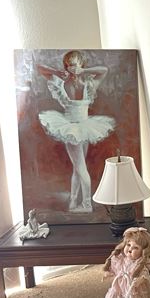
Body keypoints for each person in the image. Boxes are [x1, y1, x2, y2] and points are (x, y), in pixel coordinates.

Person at [37, 50, 114, 213]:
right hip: (70, 127)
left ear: (80, 65)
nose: (71, 68)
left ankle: (86, 204)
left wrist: (84, 71)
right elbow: (39, 67)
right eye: (68, 65)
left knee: (80, 168)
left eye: (74, 64)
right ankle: (73, 202)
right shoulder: (60, 82)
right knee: (77, 168)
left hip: (84, 127)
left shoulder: (89, 84)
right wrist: (57, 72)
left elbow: (104, 70)